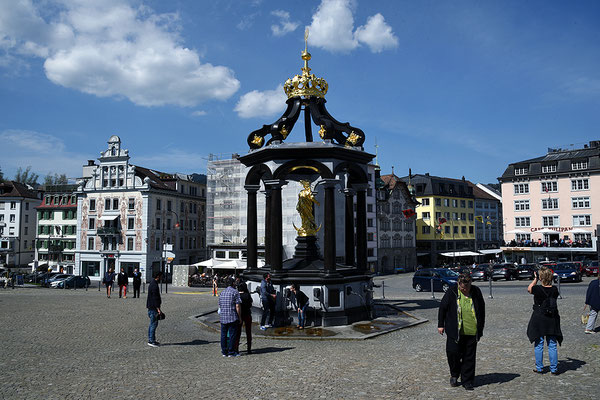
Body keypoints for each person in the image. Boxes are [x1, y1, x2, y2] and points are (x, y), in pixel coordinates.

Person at [438, 273, 485, 391]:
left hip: (471, 330)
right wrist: (440, 325)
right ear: (459, 284)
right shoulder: (451, 292)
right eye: (463, 288)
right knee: (452, 353)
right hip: (455, 331)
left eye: (468, 287)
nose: (465, 290)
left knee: (469, 357)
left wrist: (480, 328)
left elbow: (481, 310)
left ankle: (467, 380)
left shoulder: (476, 291)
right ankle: (454, 374)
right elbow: (442, 308)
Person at [527, 267, 563, 374]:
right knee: (552, 344)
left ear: (541, 277)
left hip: (539, 318)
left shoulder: (537, 289)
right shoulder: (554, 289)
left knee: (539, 343)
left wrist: (535, 279)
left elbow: (529, 289)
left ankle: (539, 368)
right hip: (552, 318)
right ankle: (554, 369)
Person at [218, 277, 242, 357]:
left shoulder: (222, 293)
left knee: (223, 335)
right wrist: (239, 317)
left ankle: (224, 351)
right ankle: (231, 351)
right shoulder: (235, 292)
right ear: (233, 283)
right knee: (232, 335)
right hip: (232, 316)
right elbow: (238, 306)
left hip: (223, 317)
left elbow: (220, 305)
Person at [233, 281, 253, 355]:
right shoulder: (247, 295)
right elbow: (250, 304)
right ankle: (249, 348)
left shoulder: (237, 295)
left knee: (238, 332)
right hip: (247, 314)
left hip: (239, 315)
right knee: (248, 332)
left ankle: (236, 348)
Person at [146, 271, 163, 347]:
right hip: (153, 308)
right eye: (161, 276)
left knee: (151, 324)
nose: (162, 278)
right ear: (158, 276)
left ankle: (151, 339)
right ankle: (151, 340)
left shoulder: (152, 283)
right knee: (153, 324)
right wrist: (158, 309)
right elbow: (155, 298)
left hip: (150, 307)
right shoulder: (154, 285)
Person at [583, 270, 599, 334]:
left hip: (592, 302)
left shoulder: (593, 282)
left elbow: (588, 292)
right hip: (596, 301)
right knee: (593, 314)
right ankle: (589, 329)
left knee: (593, 314)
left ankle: (589, 328)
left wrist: (587, 301)